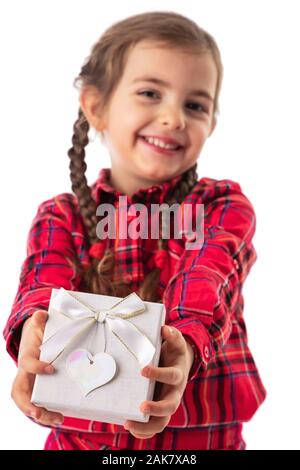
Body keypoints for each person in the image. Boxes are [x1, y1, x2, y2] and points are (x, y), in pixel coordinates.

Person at [4, 11, 266, 450]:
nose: (173, 118)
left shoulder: (221, 206)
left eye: (195, 105)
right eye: (150, 93)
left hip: (202, 439)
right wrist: (35, 328)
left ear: (211, 126)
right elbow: (42, 284)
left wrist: (182, 343)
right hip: (82, 441)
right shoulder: (61, 217)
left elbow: (206, 280)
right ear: (96, 107)